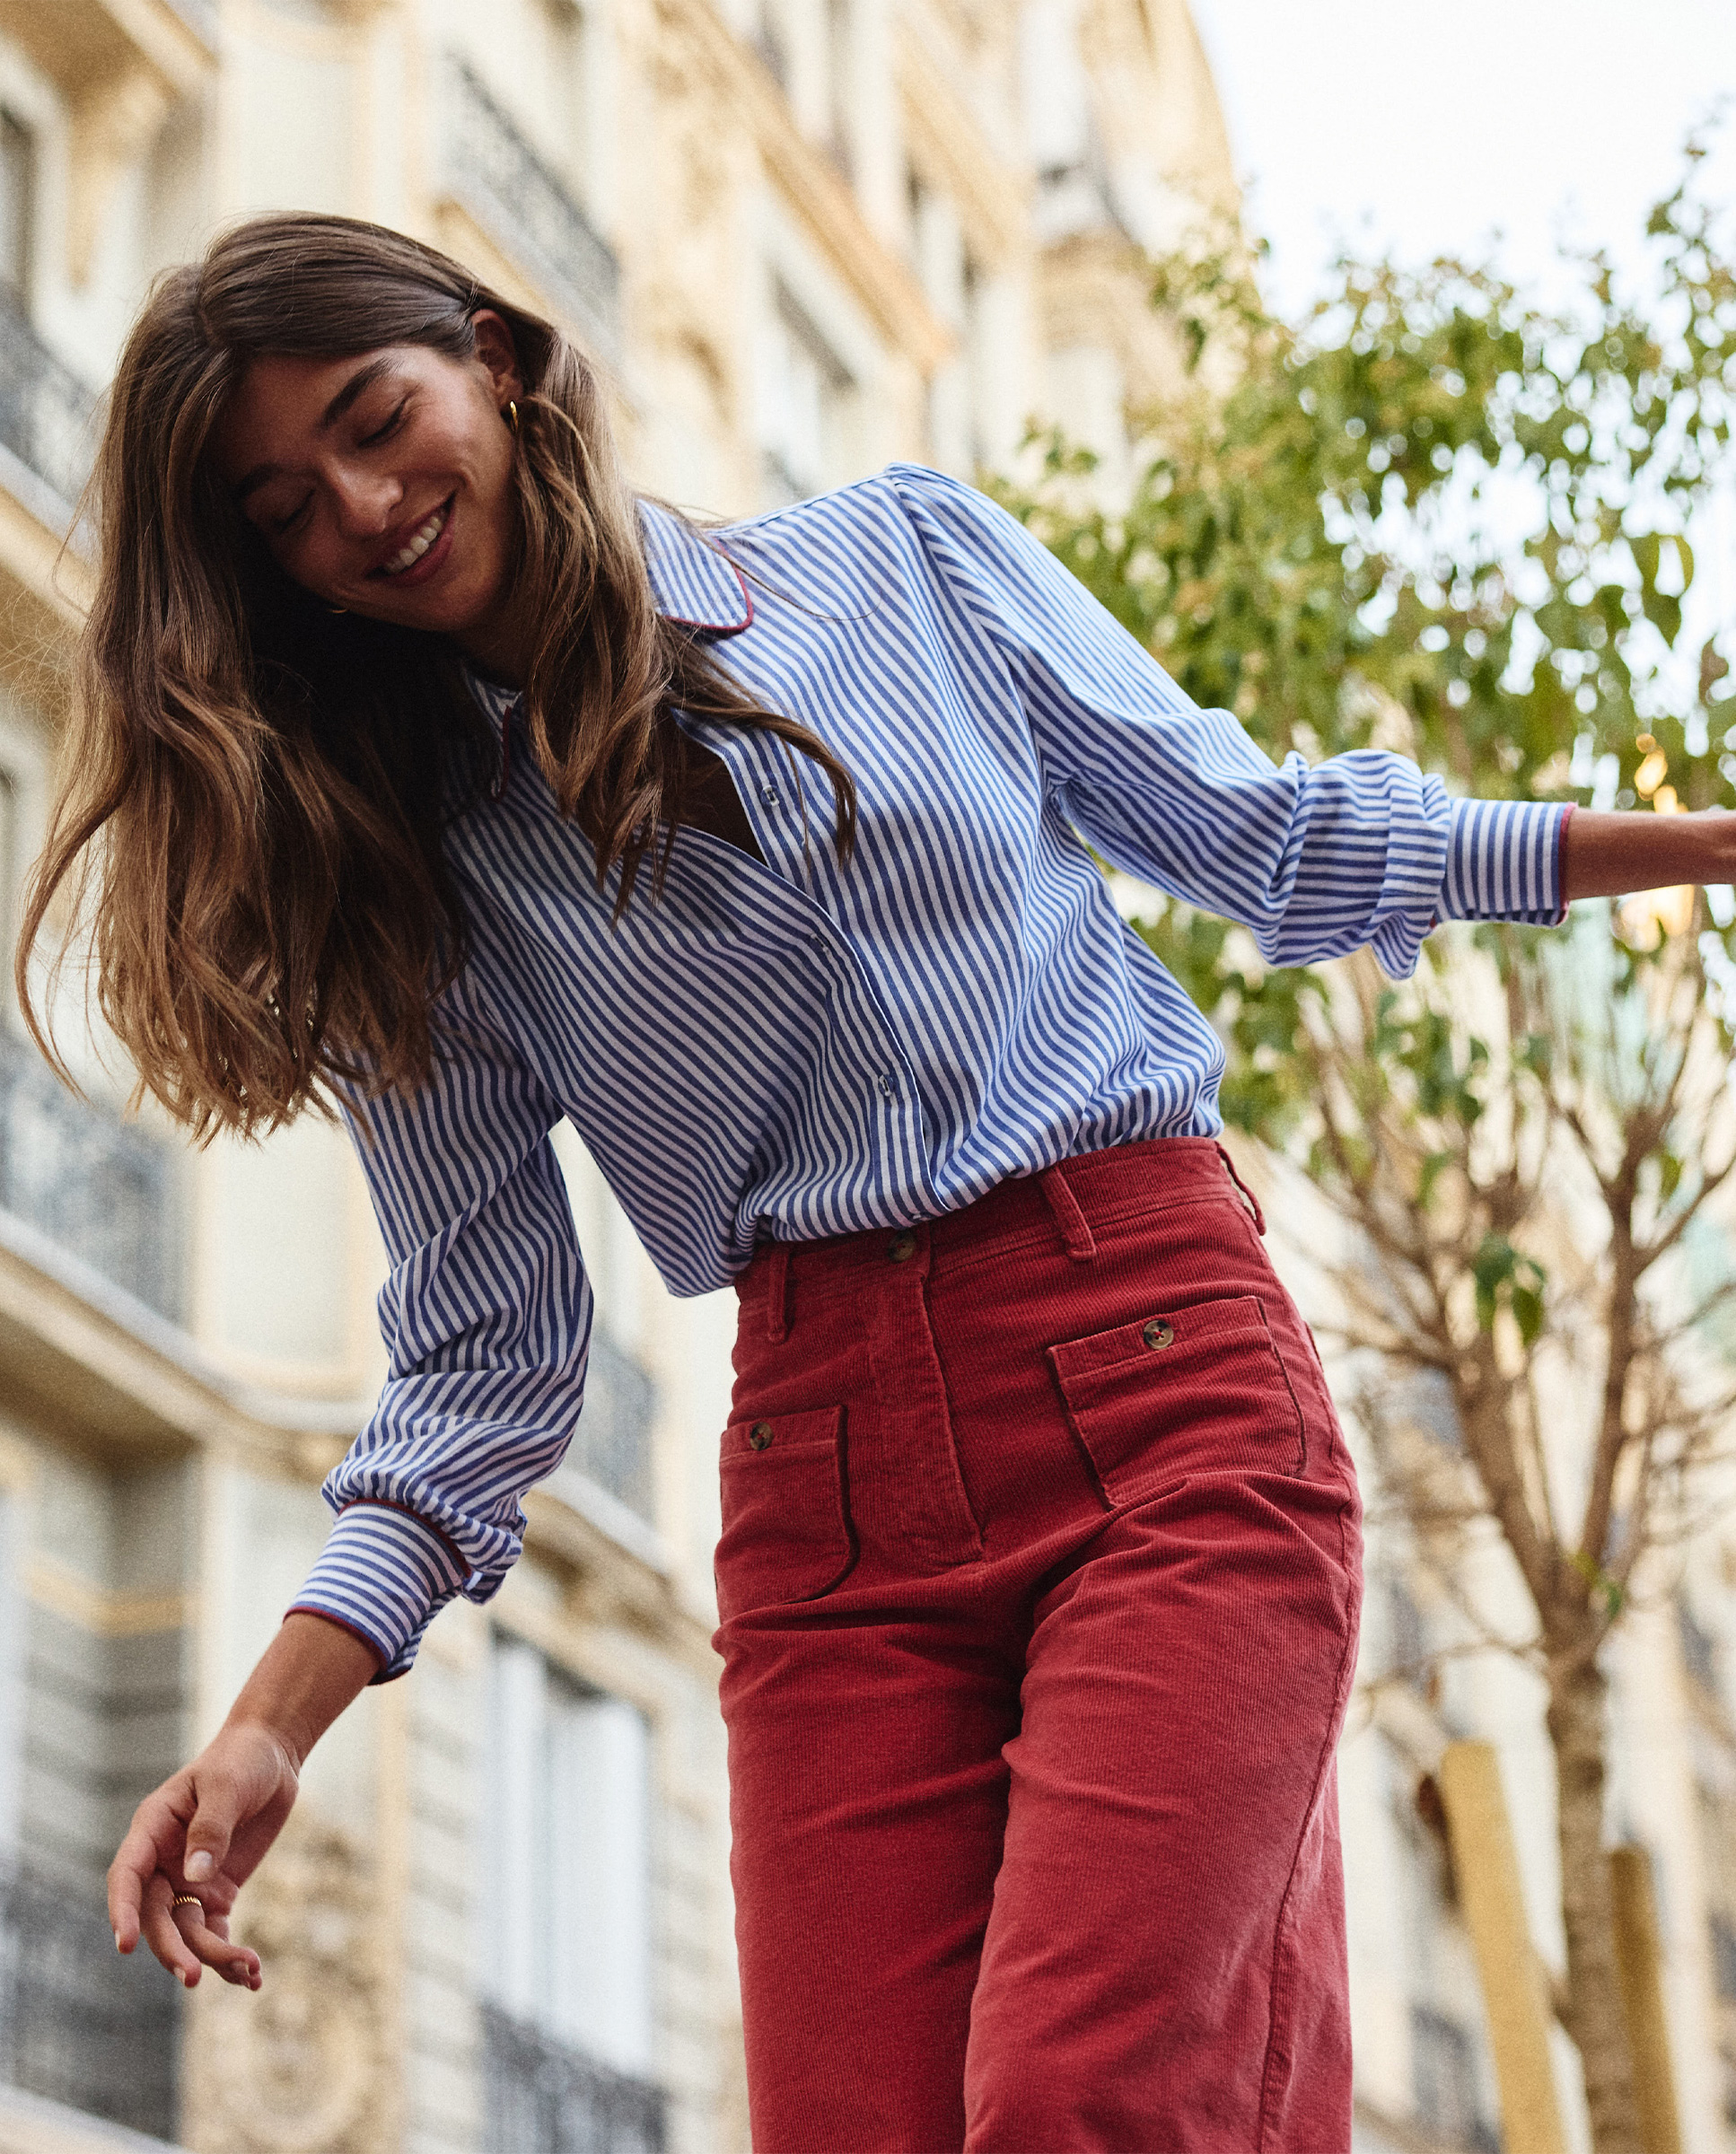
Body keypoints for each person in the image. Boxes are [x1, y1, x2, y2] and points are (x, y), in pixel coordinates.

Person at [25, 212, 1725, 2152]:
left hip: (1151, 1376)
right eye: (280, 507)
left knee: (1080, 2102)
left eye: (370, 416)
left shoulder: (897, 563)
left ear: (492, 357)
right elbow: (484, 1363)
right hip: (824, 1499)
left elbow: (1268, 835)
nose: (358, 504)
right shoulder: (414, 877)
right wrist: (267, 1719)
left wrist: (1695, 845)